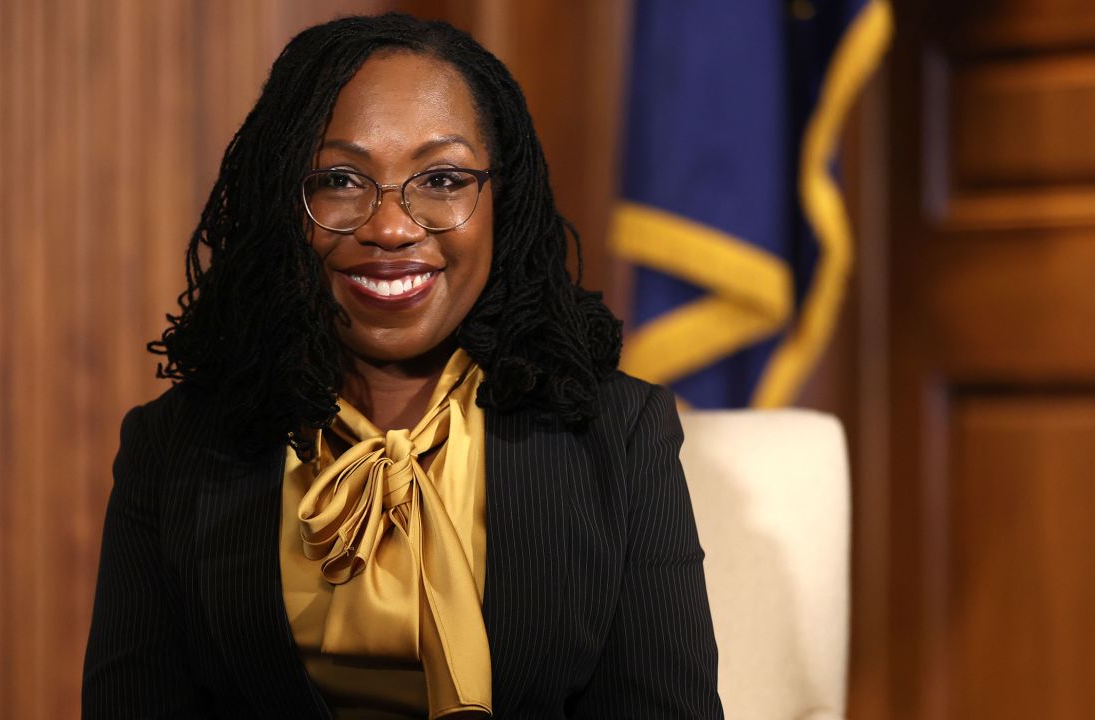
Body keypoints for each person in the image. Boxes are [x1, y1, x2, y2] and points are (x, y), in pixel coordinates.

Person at [82, 13, 722, 720]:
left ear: (501, 200)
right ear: (282, 201)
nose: (390, 226)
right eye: (340, 180)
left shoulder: (622, 437)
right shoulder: (172, 448)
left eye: (443, 178)